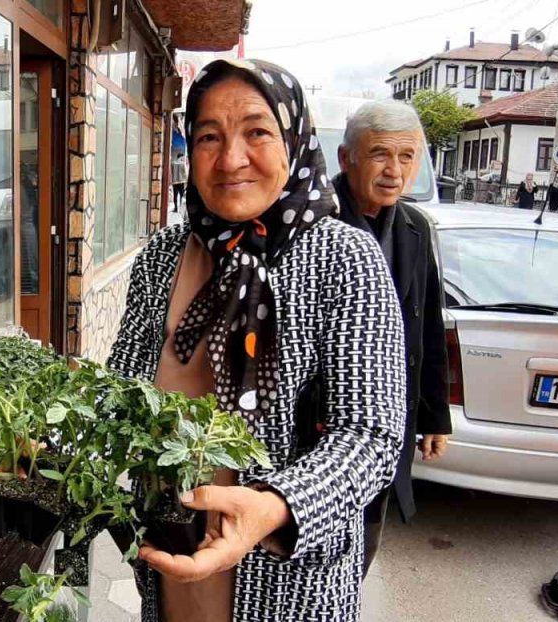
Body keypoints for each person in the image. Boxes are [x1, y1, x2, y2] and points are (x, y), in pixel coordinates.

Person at [109, 59, 405, 621]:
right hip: (172, 555)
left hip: (284, 578)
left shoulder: (344, 260)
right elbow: (122, 389)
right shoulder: (164, 257)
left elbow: (371, 436)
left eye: (257, 132)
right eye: (208, 137)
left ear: (293, 139)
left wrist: (275, 506)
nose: (230, 159)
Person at [331, 101, 451, 573]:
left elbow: (428, 328)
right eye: (380, 154)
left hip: (390, 420)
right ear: (347, 159)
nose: (394, 171)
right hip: (325, 422)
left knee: (364, 544)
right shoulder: (313, 220)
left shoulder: (416, 228)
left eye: (407, 157)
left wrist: (434, 416)